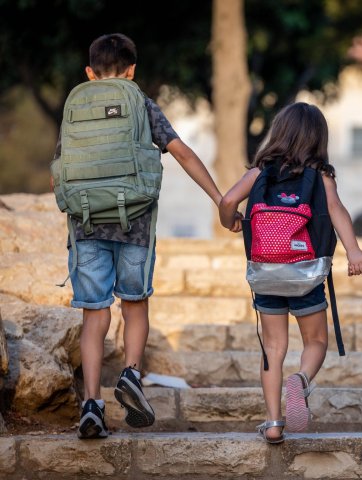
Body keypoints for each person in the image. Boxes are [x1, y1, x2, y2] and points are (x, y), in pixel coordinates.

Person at [53, 34, 227, 439]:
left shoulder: (77, 105)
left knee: (94, 314)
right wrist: (219, 197)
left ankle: (92, 402)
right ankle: (131, 373)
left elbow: (58, 170)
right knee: (134, 303)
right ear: (132, 70)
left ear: (89, 72)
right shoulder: (141, 102)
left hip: (86, 223)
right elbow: (180, 151)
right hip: (134, 222)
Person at [218, 102, 362, 443]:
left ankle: (273, 423)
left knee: (273, 347)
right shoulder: (321, 177)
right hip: (305, 273)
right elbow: (337, 212)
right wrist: (355, 251)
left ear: (279, 132)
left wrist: (231, 222)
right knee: (315, 341)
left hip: (265, 272)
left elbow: (228, 202)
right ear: (318, 139)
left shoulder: (259, 173)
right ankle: (300, 380)